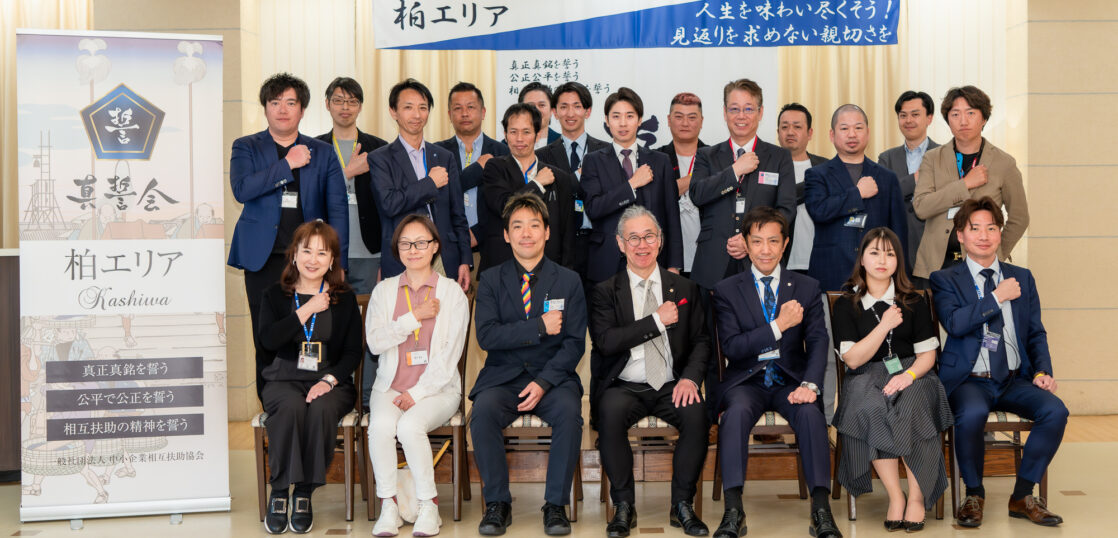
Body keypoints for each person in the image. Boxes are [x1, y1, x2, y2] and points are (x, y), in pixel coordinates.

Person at [930, 197, 1066, 528]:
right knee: (972, 413)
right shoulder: (945, 279)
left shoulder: (1022, 277)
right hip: (970, 379)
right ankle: (974, 494)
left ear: (1000, 233)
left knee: (1055, 411)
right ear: (960, 235)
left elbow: (1035, 333)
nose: (984, 235)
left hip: (1014, 378)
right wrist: (996, 296)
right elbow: (956, 323)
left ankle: (1022, 495)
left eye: (991, 228)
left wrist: (1042, 371)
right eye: (975, 228)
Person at [710, 207, 840, 538]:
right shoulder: (727, 289)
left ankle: (821, 510)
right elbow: (733, 347)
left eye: (772, 241)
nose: (765, 250)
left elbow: (819, 341)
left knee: (810, 413)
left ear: (785, 244)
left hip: (792, 380)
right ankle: (733, 510)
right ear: (746, 244)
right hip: (747, 380)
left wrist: (810, 384)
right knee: (735, 414)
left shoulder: (807, 287)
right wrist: (778, 326)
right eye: (757, 241)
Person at [469, 192, 587, 536]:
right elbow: (487, 336)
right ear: (506, 235)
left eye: (534, 225)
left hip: (553, 378)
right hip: (503, 377)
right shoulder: (490, 280)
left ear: (546, 232)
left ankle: (555, 505)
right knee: (483, 412)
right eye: (517, 226)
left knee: (570, 412)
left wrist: (544, 382)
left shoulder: (569, 280)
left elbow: (574, 343)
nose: (526, 233)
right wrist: (538, 327)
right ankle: (498, 504)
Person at [589, 206, 710, 537]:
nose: (642, 245)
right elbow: (606, 342)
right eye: (633, 238)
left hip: (671, 383)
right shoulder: (605, 291)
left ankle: (682, 504)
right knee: (610, 413)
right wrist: (656, 320)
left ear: (660, 240)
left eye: (649, 236)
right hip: (624, 384)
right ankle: (623, 506)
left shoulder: (684, 288)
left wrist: (690, 379)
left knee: (697, 413)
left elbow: (701, 340)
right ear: (620, 244)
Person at [229, 72, 348, 403]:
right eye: (275, 102)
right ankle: (272, 406)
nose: (282, 109)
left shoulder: (322, 151)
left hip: (311, 262)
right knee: (266, 335)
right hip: (263, 259)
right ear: (265, 108)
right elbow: (242, 189)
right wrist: (288, 164)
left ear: (303, 109)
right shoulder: (246, 146)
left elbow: (338, 208)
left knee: (313, 331)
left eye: (290, 103)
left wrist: (339, 263)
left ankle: (310, 400)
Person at [831, 227, 952, 532]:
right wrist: (884, 325)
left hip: (914, 372)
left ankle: (917, 497)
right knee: (872, 407)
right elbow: (853, 359)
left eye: (890, 253)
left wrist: (907, 376)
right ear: (862, 259)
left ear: (898, 260)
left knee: (911, 406)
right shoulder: (847, 303)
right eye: (874, 252)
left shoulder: (914, 300)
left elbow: (928, 356)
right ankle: (896, 495)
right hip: (865, 374)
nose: (882, 260)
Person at [366, 215, 469, 537]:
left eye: (421, 243)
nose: (413, 250)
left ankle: (428, 505)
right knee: (380, 427)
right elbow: (375, 342)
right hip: (390, 386)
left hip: (438, 390)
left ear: (435, 246)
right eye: (406, 244)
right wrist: (414, 317)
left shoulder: (452, 293)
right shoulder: (384, 291)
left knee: (410, 427)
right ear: (397, 249)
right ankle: (389, 505)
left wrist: (418, 393)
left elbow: (450, 355)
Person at [256, 220, 361, 534]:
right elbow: (268, 341)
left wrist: (328, 381)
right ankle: (279, 490)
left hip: (331, 380)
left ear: (332, 260)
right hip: (283, 378)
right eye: (307, 251)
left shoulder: (344, 298)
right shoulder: (274, 295)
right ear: (294, 255)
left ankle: (303, 491)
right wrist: (308, 308)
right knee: (290, 407)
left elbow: (353, 352)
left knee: (321, 408)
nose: (313, 259)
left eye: (322, 253)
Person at [689, 78, 796, 294]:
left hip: (762, 259)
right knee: (710, 317)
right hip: (712, 263)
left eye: (748, 109)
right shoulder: (706, 155)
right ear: (724, 112)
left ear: (760, 112)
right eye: (734, 109)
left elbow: (786, 209)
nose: (741, 116)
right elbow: (697, 194)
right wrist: (734, 171)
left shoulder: (779, 157)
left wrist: (751, 240)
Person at [912, 86, 1029, 280]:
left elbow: (1020, 217)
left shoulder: (1004, 163)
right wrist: (964, 185)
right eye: (955, 114)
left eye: (970, 113)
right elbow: (921, 207)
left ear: (984, 119)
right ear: (948, 120)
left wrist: (997, 251)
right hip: (936, 265)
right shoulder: (932, 159)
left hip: (983, 266)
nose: (963, 121)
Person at [368, 78, 471, 291]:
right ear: (393, 112)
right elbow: (389, 204)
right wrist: (430, 183)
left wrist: (465, 259)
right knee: (406, 312)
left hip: (443, 257)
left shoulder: (444, 156)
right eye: (408, 107)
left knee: (445, 312)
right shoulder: (380, 158)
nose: (417, 115)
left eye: (423, 108)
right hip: (403, 257)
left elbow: (458, 214)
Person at [581, 87, 683, 283]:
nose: (623, 123)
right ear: (607, 120)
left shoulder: (660, 161)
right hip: (608, 261)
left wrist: (674, 264)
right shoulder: (593, 161)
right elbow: (593, 208)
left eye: (629, 116)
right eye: (616, 116)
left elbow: (672, 215)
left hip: (654, 258)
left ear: (639, 120)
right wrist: (632, 185)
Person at [804, 104, 907, 293]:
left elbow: (898, 233)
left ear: (867, 133)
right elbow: (819, 211)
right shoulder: (817, 174)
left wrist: (900, 279)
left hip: (877, 277)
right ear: (832, 135)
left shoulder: (887, 177)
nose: (852, 134)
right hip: (831, 273)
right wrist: (857, 194)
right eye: (844, 128)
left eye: (858, 128)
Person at [478, 103, 576, 272]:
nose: (519, 139)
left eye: (526, 132)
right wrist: (537, 184)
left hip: (548, 268)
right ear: (505, 135)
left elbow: (567, 234)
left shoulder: (559, 177)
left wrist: (566, 273)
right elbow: (504, 206)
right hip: (502, 267)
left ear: (537, 135)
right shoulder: (494, 168)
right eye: (513, 132)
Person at [315, 76, 388, 295]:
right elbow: (312, 197)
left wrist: (386, 257)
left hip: (370, 252)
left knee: (368, 313)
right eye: (338, 101)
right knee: (329, 312)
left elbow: (388, 207)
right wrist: (347, 173)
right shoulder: (315, 148)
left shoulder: (379, 148)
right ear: (327, 104)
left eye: (352, 101)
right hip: (325, 251)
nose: (345, 107)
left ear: (360, 106)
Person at [537, 81, 611, 283]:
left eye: (577, 106)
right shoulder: (542, 156)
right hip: (560, 248)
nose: (570, 113)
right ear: (554, 112)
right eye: (563, 107)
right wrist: (578, 174)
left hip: (599, 245)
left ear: (588, 111)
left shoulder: (607, 152)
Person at [435, 81, 510, 269]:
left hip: (492, 249)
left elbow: (507, 204)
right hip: (449, 249)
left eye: (471, 107)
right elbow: (436, 196)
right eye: (457, 108)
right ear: (449, 115)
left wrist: (477, 232)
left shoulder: (502, 152)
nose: (465, 113)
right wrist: (476, 169)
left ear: (483, 112)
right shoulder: (436, 153)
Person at [878, 91, 940, 267]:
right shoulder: (886, 158)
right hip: (897, 245)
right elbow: (884, 196)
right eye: (903, 115)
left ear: (929, 118)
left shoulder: (944, 155)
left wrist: (900, 187)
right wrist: (916, 178)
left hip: (934, 245)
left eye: (915, 114)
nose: (908, 120)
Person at [656, 92, 708, 277]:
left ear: (701, 121)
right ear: (669, 120)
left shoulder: (716, 158)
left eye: (692, 117)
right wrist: (697, 178)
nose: (685, 123)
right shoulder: (655, 159)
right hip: (668, 258)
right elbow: (656, 197)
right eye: (679, 117)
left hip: (708, 258)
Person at [776, 102, 828, 274]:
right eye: (784, 127)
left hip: (819, 259)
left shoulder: (826, 168)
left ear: (810, 133)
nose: (790, 132)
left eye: (797, 127)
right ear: (778, 132)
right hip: (779, 260)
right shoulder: (766, 167)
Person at [518, 82, 561, 149]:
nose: (537, 110)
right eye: (531, 106)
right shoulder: (506, 145)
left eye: (542, 105)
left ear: (551, 110)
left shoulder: (564, 143)